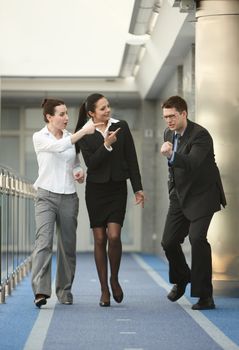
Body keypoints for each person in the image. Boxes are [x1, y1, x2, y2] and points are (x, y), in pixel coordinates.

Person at [74, 93, 145, 307]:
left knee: (114, 236)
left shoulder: (120, 126)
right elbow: (92, 164)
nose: (107, 111)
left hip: (117, 189)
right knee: (99, 239)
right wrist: (106, 144)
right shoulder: (85, 133)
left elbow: (132, 159)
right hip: (96, 191)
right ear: (91, 113)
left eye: (108, 106)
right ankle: (103, 288)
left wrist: (138, 188)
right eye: (102, 108)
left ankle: (114, 279)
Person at [31, 98, 102, 308]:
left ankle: (64, 290)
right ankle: (41, 291)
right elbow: (58, 147)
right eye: (61, 114)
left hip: (69, 197)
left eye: (67, 114)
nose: (66, 118)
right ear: (49, 117)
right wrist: (83, 133)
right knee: (43, 243)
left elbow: (74, 162)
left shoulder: (71, 137)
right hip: (45, 196)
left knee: (67, 246)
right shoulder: (40, 137)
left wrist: (78, 173)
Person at [160, 95, 226, 310]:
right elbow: (175, 170)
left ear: (184, 114)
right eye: (165, 117)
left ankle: (205, 296)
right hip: (180, 195)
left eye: (172, 116)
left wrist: (170, 155)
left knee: (197, 239)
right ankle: (183, 278)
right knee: (168, 242)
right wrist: (172, 191)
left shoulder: (201, 135)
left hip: (203, 195)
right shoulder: (168, 133)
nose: (168, 121)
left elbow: (193, 163)